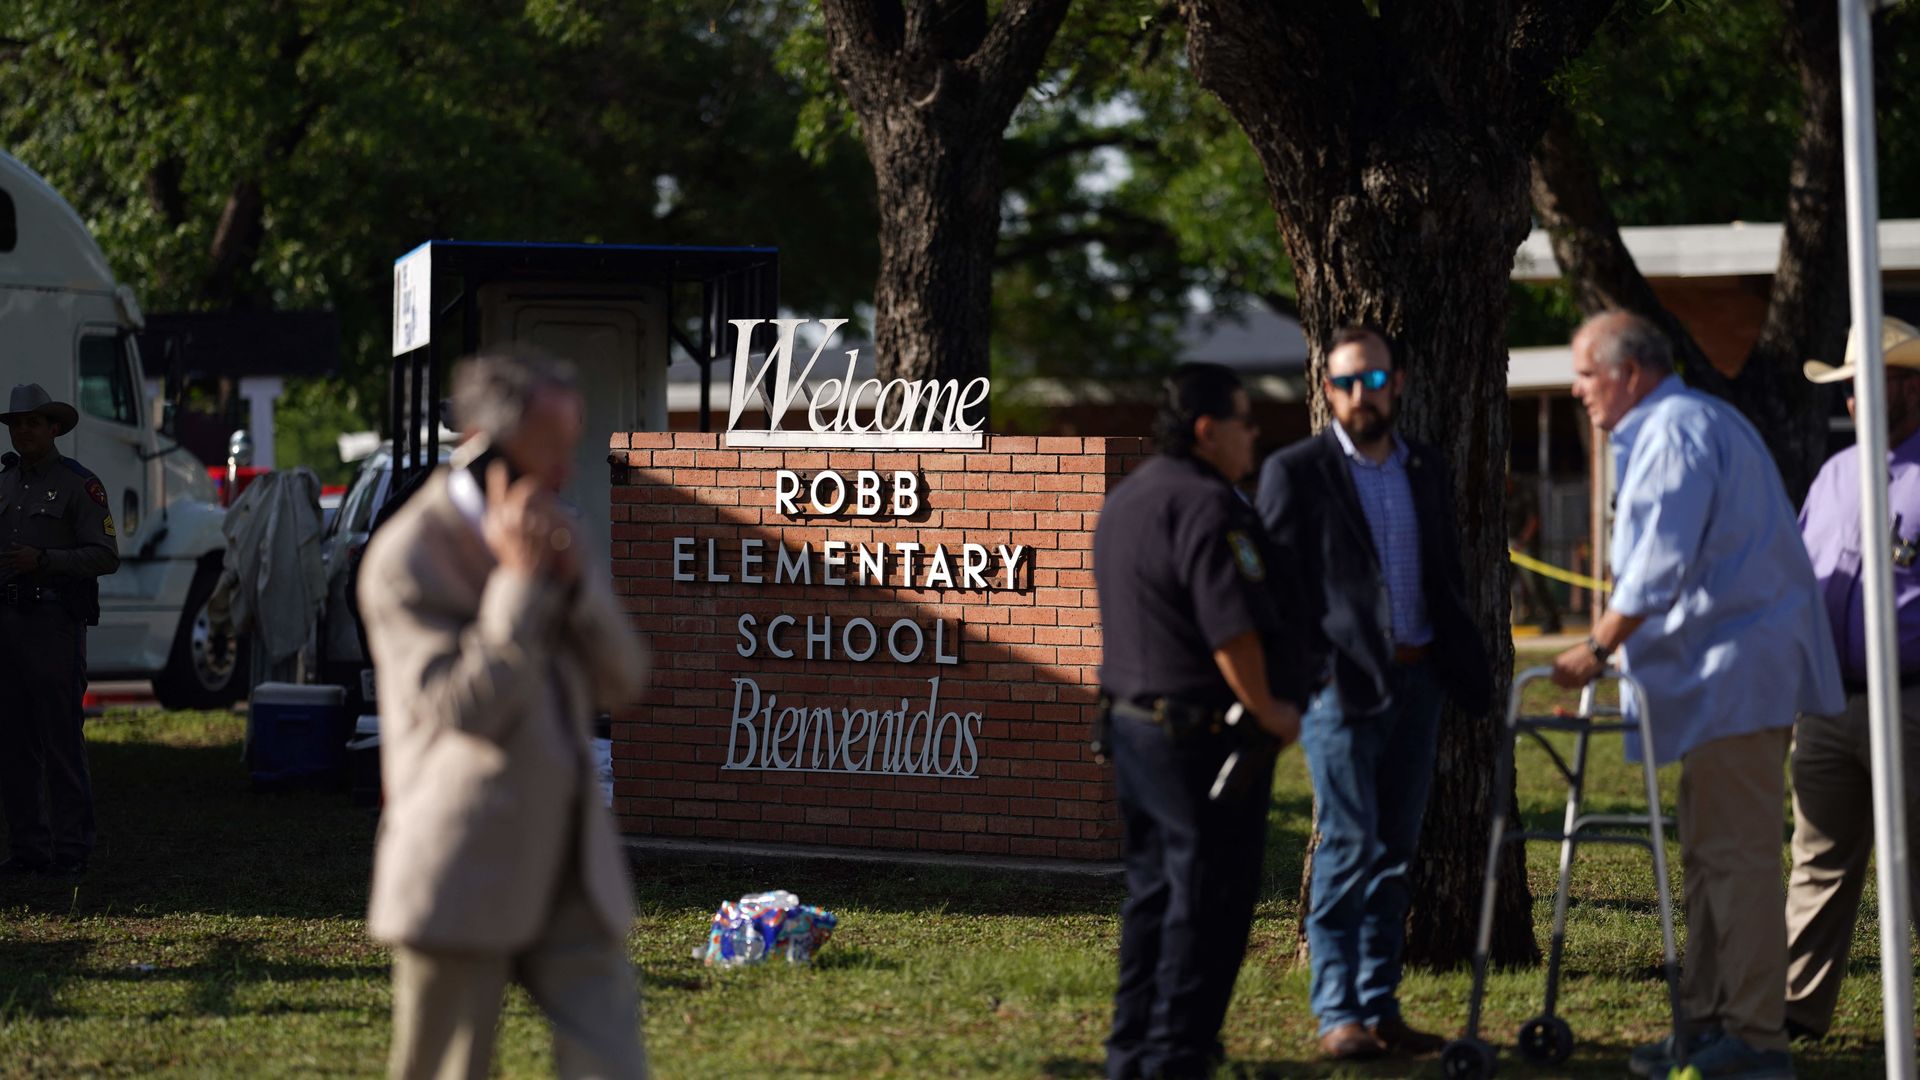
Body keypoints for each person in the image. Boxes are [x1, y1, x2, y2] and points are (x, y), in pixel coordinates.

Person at [1551, 311, 1842, 1080]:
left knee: (1736, 859)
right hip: (1721, 680)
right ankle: (1710, 1024)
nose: (1577, 388)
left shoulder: (1676, 430)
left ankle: (1754, 1037)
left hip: (1734, 677)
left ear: (1630, 374)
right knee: (1712, 857)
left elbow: (1658, 561)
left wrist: (1597, 645)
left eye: (1586, 373)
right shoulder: (1683, 423)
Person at [358, 349, 650, 1080]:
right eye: (549, 451)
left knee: (614, 1063)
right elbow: (461, 708)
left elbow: (625, 678)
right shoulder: (407, 556)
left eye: (571, 447)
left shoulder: (557, 530)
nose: (564, 472)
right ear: (484, 443)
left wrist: (576, 585)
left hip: (570, 865)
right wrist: (517, 586)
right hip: (463, 866)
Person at [1256, 326, 1492, 1061]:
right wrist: (1314, 671)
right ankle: (1339, 1016)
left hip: (1419, 681)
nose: (1363, 394)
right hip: (1340, 690)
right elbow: (1274, 591)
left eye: (1377, 380)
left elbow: (1445, 569)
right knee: (1349, 843)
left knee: (1394, 851)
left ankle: (1380, 1007)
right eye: (1348, 382)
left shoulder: (1425, 466)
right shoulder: (1296, 471)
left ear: (1399, 383)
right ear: (1327, 389)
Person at [1093, 362, 1308, 1080]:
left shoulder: (1127, 499)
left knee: (1153, 896)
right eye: (1246, 422)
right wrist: (1271, 708)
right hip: (1199, 739)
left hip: (1132, 730)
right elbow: (1232, 630)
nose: (1255, 435)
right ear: (1208, 429)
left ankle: (1132, 1049)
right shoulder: (1211, 508)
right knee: (1206, 901)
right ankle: (1176, 1056)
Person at [1785, 316, 1920, 1041]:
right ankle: (1795, 1012)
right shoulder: (1835, 474)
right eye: (1847, 388)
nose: (1852, 400)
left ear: (1910, 387)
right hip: (1828, 705)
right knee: (1817, 860)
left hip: (1911, 702)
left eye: (1867, 383)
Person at [0, 383, 119, 877]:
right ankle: (28, 848)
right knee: (13, 742)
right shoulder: (5, 482)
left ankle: (71, 850)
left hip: (53, 625)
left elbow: (106, 556)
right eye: (16, 423)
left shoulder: (78, 484)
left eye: (33, 422)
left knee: (61, 739)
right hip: (8, 625)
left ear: (54, 428)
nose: (23, 431)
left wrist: (45, 560)